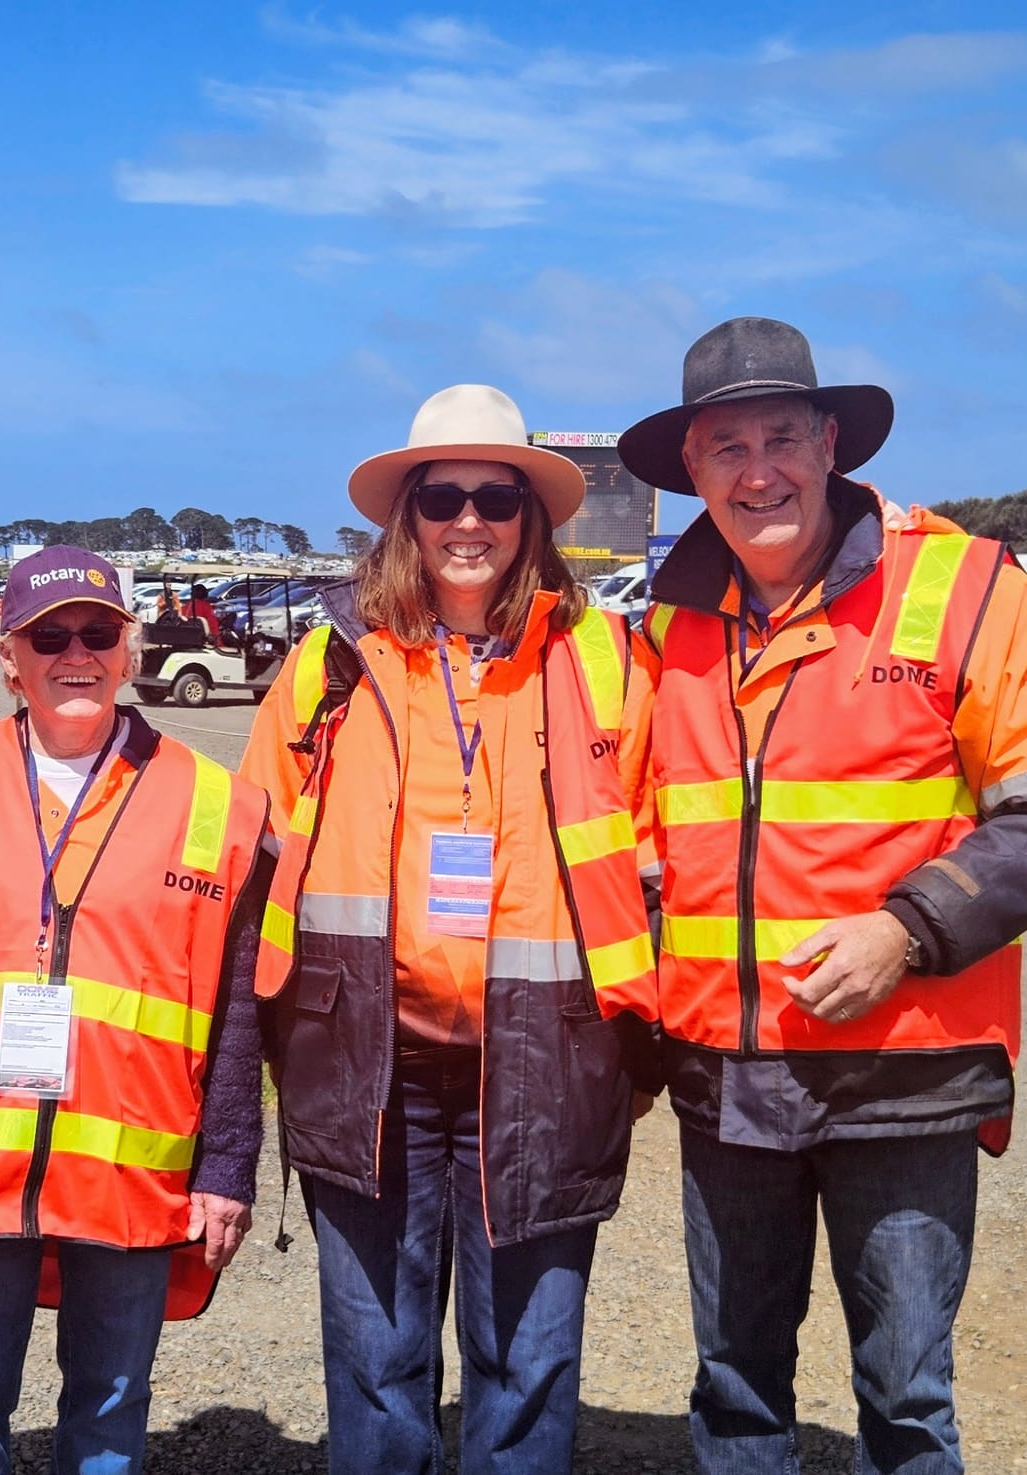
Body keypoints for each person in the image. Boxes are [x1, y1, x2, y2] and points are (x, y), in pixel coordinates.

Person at [615, 317, 1027, 1472]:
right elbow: (639, 843)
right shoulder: (666, 628)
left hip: (903, 1076)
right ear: (690, 469)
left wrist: (906, 928)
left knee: (902, 1397)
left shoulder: (962, 586)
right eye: (725, 446)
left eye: (779, 437)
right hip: (725, 1077)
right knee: (733, 1386)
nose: (756, 471)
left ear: (829, 443)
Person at [240, 385, 658, 1475]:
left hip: (545, 1066)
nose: (468, 522)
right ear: (407, 517)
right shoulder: (330, 665)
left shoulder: (606, 662)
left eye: (495, 498)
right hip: (366, 1068)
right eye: (442, 499)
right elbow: (254, 868)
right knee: (376, 1364)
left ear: (531, 518)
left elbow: (661, 871)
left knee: (527, 1364)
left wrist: (643, 1052)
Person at [0, 546, 271, 1475]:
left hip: (131, 1168)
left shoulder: (217, 801)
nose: (76, 654)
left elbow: (237, 1003)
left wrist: (228, 1162)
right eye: (48, 636)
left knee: (109, 1411)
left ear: (129, 648)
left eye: (98, 633)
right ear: (8, 656)